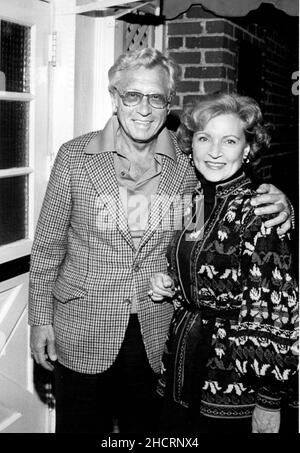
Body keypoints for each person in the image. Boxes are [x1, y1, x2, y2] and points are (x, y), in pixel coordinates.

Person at [29, 48, 293, 434]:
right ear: (115, 97)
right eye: (132, 95)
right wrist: (39, 320)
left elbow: (214, 219)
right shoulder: (74, 157)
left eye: (156, 97)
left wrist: (283, 203)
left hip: (159, 336)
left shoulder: (190, 161)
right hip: (80, 329)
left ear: (168, 102)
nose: (143, 108)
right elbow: (48, 247)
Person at [149, 92, 298, 434]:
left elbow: (272, 314)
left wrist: (268, 402)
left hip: (233, 378)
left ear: (247, 149)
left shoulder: (261, 212)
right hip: (182, 361)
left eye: (229, 140)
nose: (214, 151)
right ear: (192, 146)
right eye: (204, 138)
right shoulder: (197, 201)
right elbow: (202, 265)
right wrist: (172, 283)